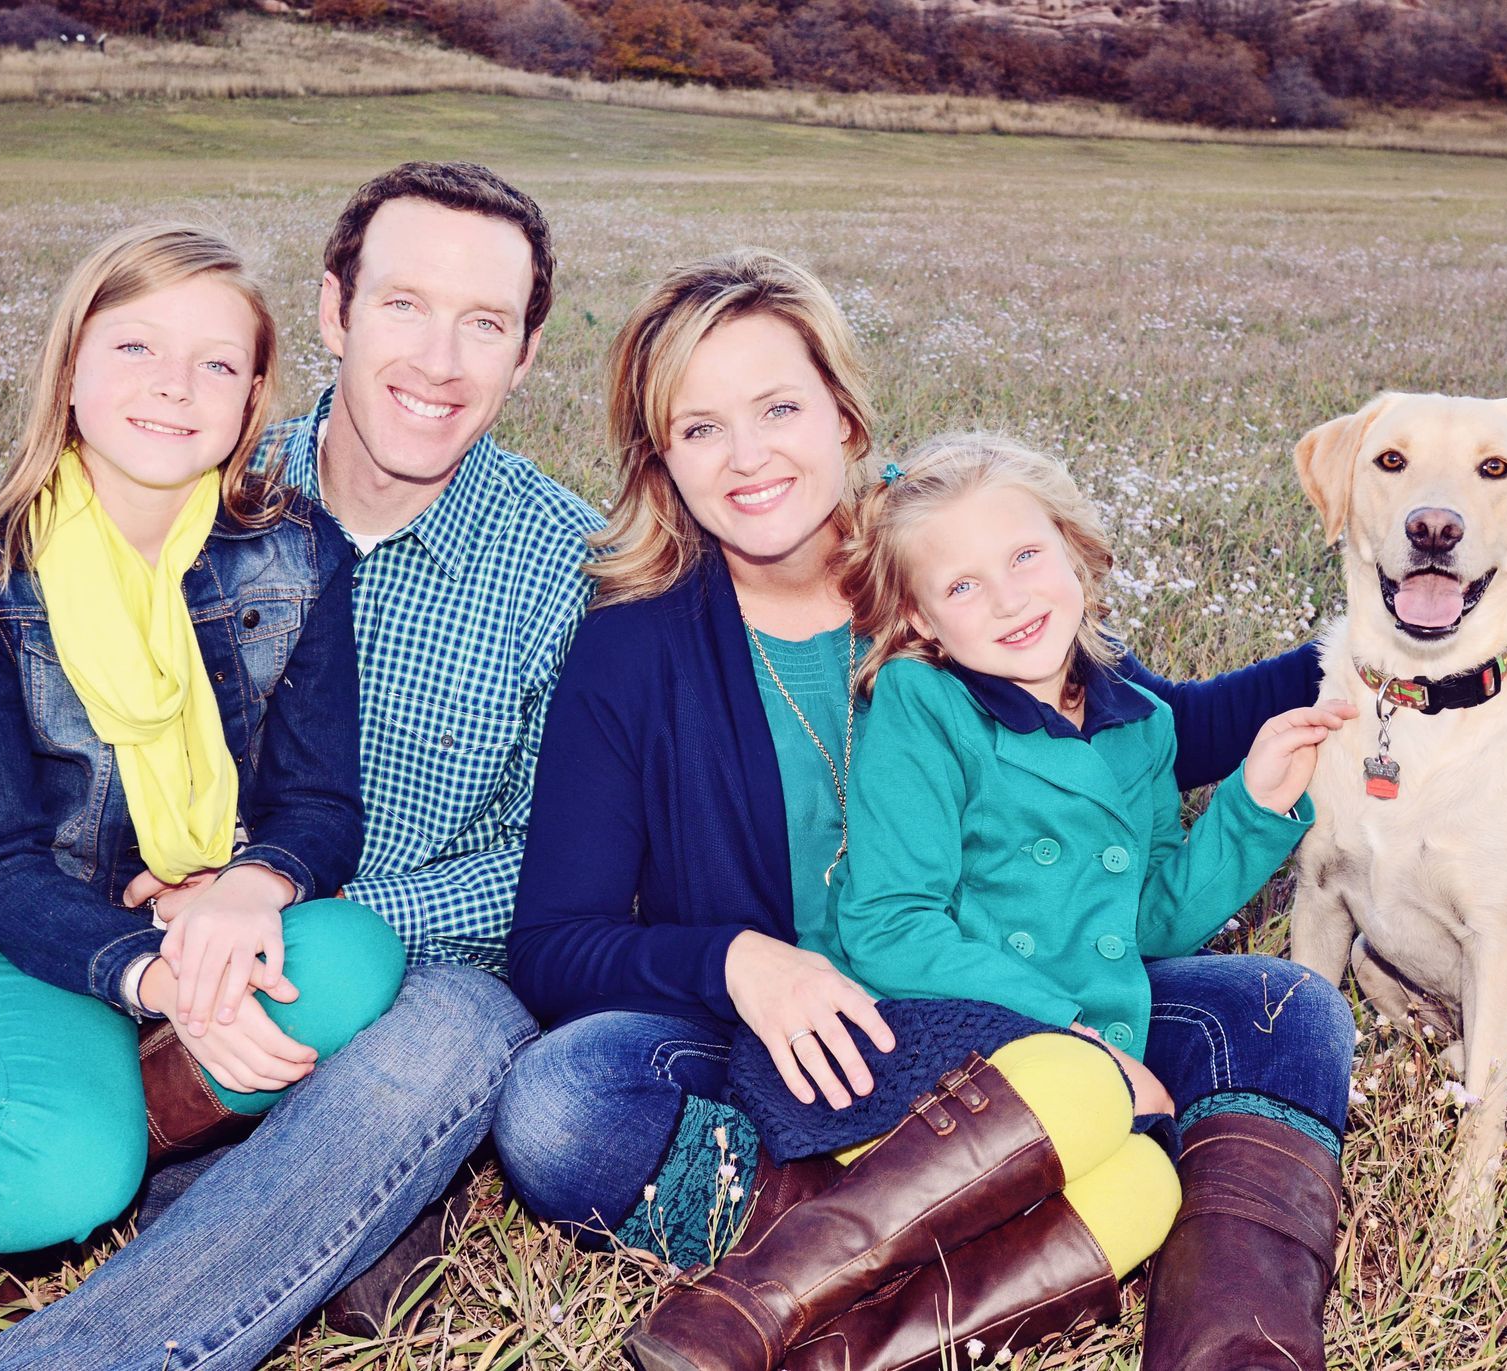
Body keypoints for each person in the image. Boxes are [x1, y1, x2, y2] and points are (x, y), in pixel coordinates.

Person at [0, 163, 596, 1369]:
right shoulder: (203, 483)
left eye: (486, 324)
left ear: (526, 357)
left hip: (399, 968)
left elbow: (558, 862)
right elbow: (25, 801)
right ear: (333, 313)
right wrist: (59, 911)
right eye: (405, 305)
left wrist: (246, 906)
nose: (439, 359)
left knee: (430, 1054)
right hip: (114, 946)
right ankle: (171, 1150)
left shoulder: (571, 564)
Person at [496, 249, 1359, 1371]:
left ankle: (1230, 1341)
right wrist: (742, 964)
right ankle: (968, 1231)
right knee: (562, 1108)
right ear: (663, 461)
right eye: (700, 428)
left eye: (778, 407)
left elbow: (1153, 728)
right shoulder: (633, 646)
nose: (749, 456)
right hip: (800, 1054)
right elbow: (556, 946)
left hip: (1014, 982)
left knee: (1283, 1011)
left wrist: (1363, 651)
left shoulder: (944, 569)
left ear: (846, 418)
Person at [0, 219, 404, 1267]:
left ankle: (121, 1118)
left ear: (253, 399)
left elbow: (320, 808)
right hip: (35, 934)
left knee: (358, 959)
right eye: (136, 348)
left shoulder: (299, 554)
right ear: (70, 370)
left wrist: (248, 890)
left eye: (216, 363)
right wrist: (153, 976)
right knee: (55, 1178)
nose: (175, 386)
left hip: (210, 910)